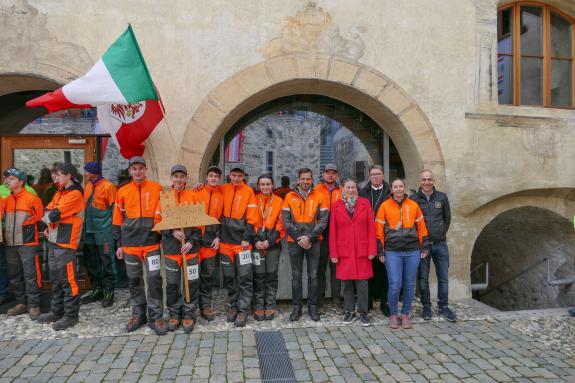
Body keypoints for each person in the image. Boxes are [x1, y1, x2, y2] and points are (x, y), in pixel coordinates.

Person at [112, 156, 164, 335]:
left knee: (154, 280)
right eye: (134, 168)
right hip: (130, 245)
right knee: (134, 281)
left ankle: (156, 316)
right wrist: (118, 244)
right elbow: (117, 219)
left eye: (140, 168)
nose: (138, 171)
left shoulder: (156, 188)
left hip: (151, 243)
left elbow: (166, 209)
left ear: (145, 169)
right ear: (130, 171)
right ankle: (138, 315)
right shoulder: (123, 191)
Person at [376, 178, 430, 330]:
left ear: (404, 188)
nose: (398, 189)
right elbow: (378, 231)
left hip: (412, 250)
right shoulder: (384, 206)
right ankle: (393, 314)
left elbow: (422, 227)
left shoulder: (413, 205)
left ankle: (405, 314)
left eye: (401, 186)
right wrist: (380, 250)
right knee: (395, 285)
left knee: (410, 285)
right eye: (395, 187)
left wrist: (424, 247)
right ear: (391, 190)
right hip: (392, 251)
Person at [37, 163, 85, 331]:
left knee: (68, 280)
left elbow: (51, 216)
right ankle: (57, 311)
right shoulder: (59, 192)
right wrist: (48, 215)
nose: (54, 178)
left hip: (66, 242)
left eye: (57, 175)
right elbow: (45, 211)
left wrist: (49, 216)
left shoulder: (75, 194)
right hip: (54, 239)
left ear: (68, 175)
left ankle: (71, 316)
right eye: (53, 175)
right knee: (56, 279)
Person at [282, 168, 329, 322]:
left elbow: (323, 221)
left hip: (314, 242)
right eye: (303, 179)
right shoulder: (289, 196)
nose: (305, 181)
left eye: (308, 179)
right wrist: (299, 238)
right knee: (296, 276)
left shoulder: (320, 195)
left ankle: (312, 308)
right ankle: (297, 308)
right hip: (294, 242)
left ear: (312, 180)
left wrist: (309, 238)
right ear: (298, 180)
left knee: (313, 276)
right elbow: (285, 221)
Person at [329, 179, 376, 327]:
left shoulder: (365, 203)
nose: (350, 190)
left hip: (362, 249)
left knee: (362, 283)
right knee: (347, 283)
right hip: (344, 250)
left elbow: (371, 228)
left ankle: (363, 313)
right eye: (347, 187)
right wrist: (334, 253)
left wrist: (372, 250)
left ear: (356, 189)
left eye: (353, 187)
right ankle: (349, 311)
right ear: (342, 189)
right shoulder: (336, 205)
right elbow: (333, 231)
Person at [410, 170, 456, 322]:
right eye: (424, 179)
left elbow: (447, 218)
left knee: (443, 277)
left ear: (433, 181)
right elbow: (411, 223)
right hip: (422, 246)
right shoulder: (414, 199)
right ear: (420, 181)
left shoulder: (442, 197)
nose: (427, 182)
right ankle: (427, 307)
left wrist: (440, 233)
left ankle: (443, 307)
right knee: (423, 278)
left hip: (440, 244)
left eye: (429, 179)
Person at [162, 165, 202, 333]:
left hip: (190, 250)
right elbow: (158, 222)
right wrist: (172, 231)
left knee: (191, 283)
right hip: (172, 250)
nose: (179, 180)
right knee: (172, 284)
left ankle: (188, 314)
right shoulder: (165, 198)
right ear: (172, 178)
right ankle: (174, 314)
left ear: (186, 178)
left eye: (182, 176)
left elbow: (200, 225)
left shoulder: (193, 196)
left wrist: (191, 242)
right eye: (176, 176)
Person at [2, 168, 44, 320]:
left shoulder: (32, 198)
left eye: (12, 178)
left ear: (21, 182)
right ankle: (21, 303)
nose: (8, 181)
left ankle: (34, 304)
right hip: (10, 243)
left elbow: (40, 219)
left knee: (30, 274)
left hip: (28, 243)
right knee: (14, 275)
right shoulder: (6, 199)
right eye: (7, 178)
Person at [219, 165, 258, 327]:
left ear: (243, 177)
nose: (236, 178)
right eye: (234, 175)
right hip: (224, 243)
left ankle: (243, 310)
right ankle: (233, 306)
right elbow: (209, 193)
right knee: (229, 278)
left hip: (242, 243)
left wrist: (246, 237)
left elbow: (252, 217)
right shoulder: (223, 189)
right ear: (230, 175)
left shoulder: (248, 191)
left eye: (239, 176)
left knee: (245, 278)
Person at [81, 162, 118, 308]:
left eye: (87, 172)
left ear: (94, 172)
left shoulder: (108, 186)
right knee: (91, 261)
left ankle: (109, 291)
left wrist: (114, 231)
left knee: (107, 261)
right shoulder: (88, 186)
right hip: (89, 230)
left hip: (104, 232)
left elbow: (115, 210)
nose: (85, 174)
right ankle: (96, 289)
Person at [359, 165, 391, 316]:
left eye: (378, 174)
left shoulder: (390, 191)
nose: (376, 177)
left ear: (383, 176)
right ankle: (368, 300)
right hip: (365, 235)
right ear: (369, 177)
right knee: (367, 269)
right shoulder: (362, 192)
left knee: (384, 270)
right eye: (373, 175)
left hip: (385, 236)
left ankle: (385, 302)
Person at [252, 174, 285, 321]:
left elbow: (281, 224)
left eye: (268, 184)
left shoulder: (279, 201)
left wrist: (269, 242)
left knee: (271, 276)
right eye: (262, 184)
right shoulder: (253, 200)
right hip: (257, 244)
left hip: (273, 245)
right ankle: (259, 305)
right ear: (259, 186)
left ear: (272, 185)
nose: (265, 187)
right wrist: (255, 241)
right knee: (259, 276)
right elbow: (249, 222)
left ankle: (270, 305)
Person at [193, 166, 223, 322]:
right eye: (210, 175)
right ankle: (189, 310)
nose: (213, 178)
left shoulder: (221, 194)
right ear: (206, 177)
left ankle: (205, 306)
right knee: (191, 277)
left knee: (207, 277)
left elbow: (222, 219)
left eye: (216, 176)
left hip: (211, 243)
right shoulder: (196, 192)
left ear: (219, 179)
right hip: (195, 242)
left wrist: (218, 236)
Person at [314, 164, 343, 314]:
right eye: (327, 173)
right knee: (320, 271)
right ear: (323, 174)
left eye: (333, 173)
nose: (330, 175)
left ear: (336, 175)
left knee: (336, 271)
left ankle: (337, 301)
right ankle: (320, 302)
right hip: (321, 237)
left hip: (338, 237)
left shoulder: (342, 190)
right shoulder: (316, 190)